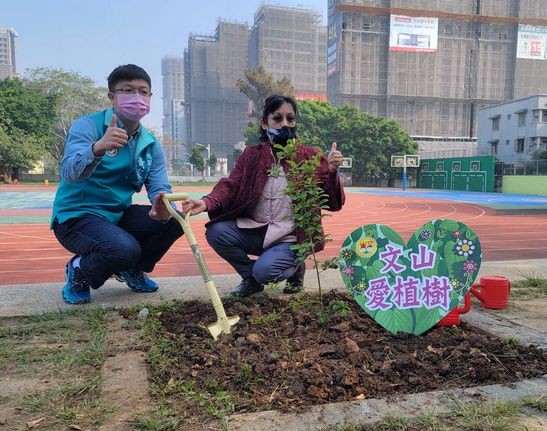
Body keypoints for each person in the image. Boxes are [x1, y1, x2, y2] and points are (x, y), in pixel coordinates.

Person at [181, 95, 345, 297]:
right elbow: (230, 185)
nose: (285, 124)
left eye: (291, 119)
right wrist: (206, 202)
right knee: (216, 232)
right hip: (257, 230)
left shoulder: (309, 157)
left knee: (265, 271)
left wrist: (331, 172)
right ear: (264, 123)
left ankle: (295, 268)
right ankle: (250, 279)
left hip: (290, 237)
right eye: (277, 118)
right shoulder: (251, 155)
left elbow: (333, 202)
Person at [51, 64, 183, 304]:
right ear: (112, 96)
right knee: (124, 249)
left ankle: (131, 269)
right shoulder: (88, 126)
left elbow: (160, 187)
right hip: (76, 216)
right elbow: (69, 173)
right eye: (128, 90)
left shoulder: (150, 144)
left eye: (143, 92)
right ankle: (79, 269)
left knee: (175, 220)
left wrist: (162, 204)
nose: (137, 97)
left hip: (117, 215)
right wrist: (98, 148)